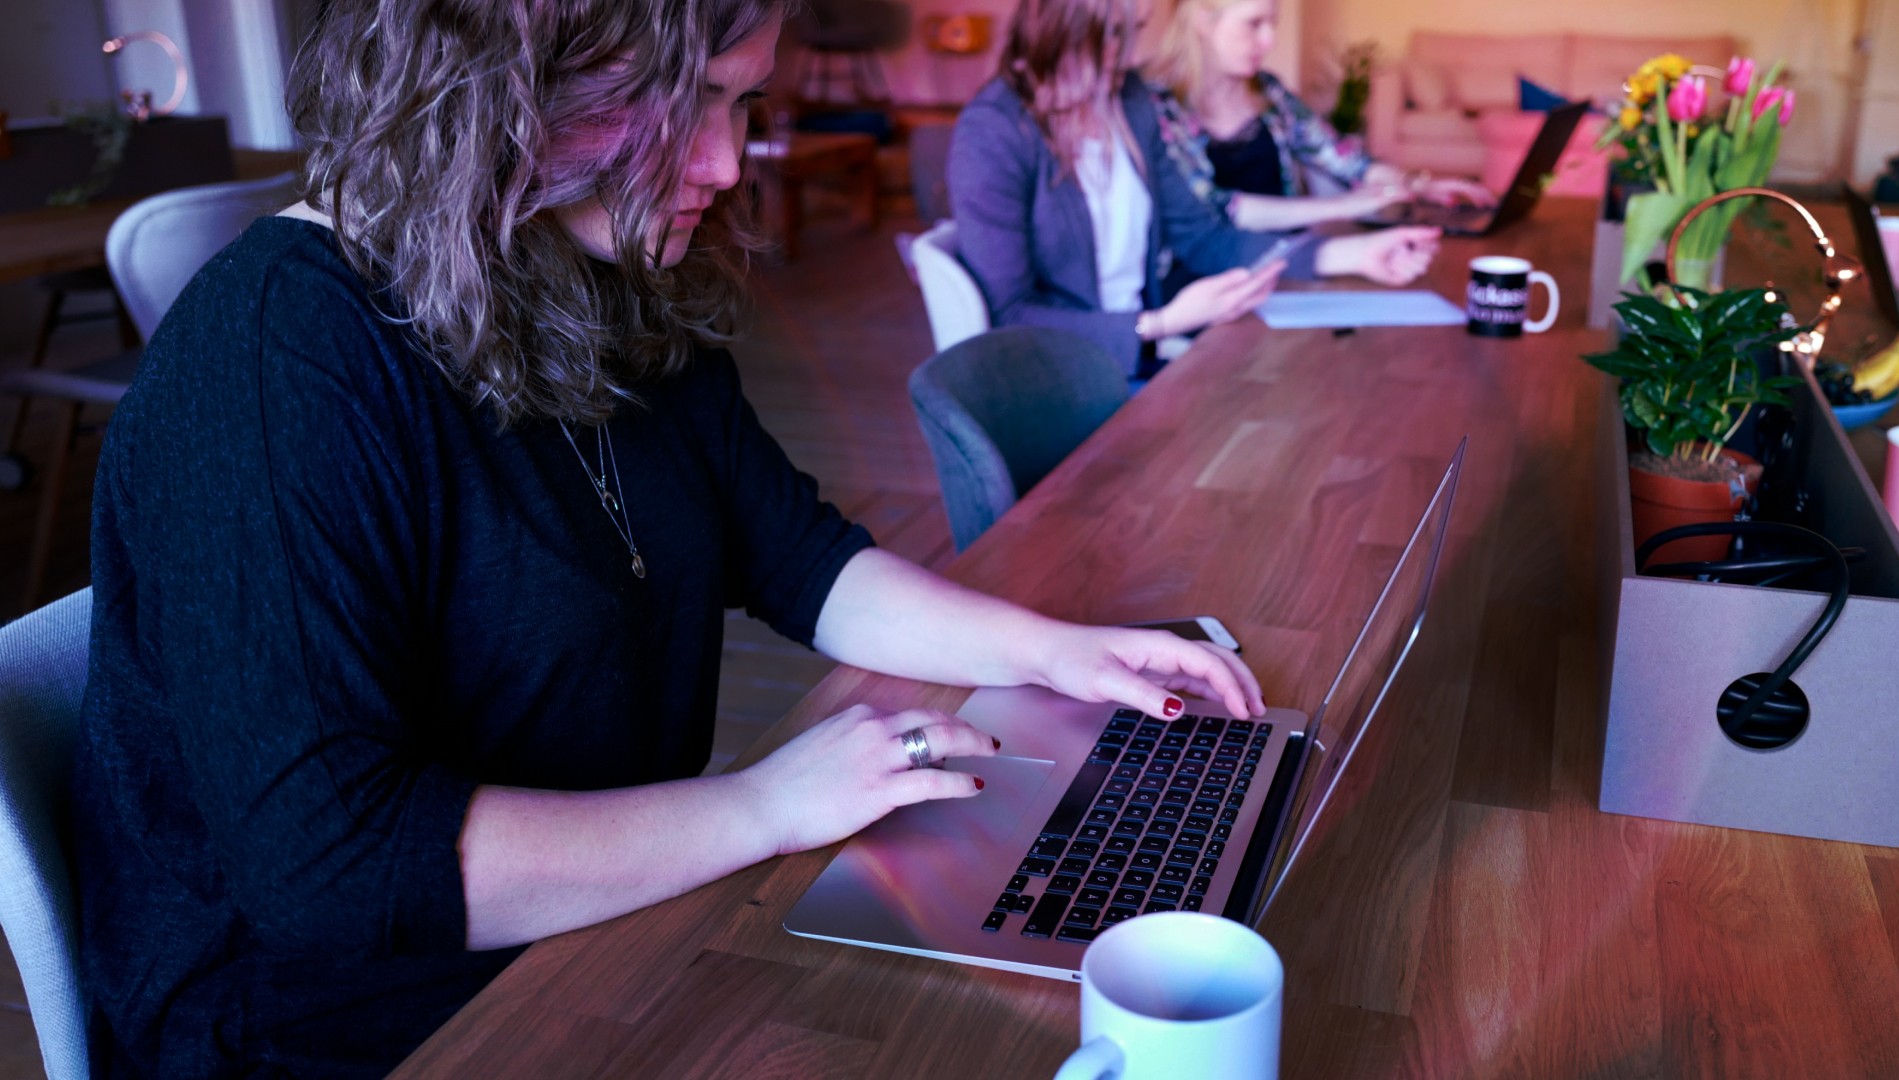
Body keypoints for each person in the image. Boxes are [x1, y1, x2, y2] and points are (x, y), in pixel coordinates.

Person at [68, 0, 1269, 1074]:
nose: (729, 160)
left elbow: (796, 557)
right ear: (515, 68)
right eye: (690, 103)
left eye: (744, 103)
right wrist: (759, 809)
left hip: (591, 937)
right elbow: (333, 874)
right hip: (336, 1029)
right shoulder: (276, 356)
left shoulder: (589, 271)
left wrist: (1056, 653)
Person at [948, 0, 1442, 377]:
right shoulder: (993, 133)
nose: (1134, 53)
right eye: (1117, 33)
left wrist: (1354, 253)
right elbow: (1008, 315)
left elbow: (1204, 236)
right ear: (1064, 24)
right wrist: (1160, 323)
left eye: (1137, 30)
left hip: (1143, 360)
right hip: (1069, 379)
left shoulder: (1128, 100)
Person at [1143, 0, 1492, 232]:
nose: (1269, 40)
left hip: (1289, 261)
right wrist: (1340, 206)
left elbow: (1346, 160)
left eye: (1273, 24)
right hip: (1207, 285)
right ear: (1203, 20)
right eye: (1254, 24)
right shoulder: (1156, 105)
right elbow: (1212, 208)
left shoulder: (1269, 92)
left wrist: (1418, 185)